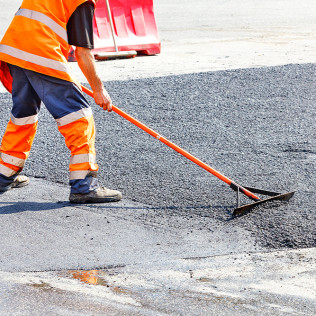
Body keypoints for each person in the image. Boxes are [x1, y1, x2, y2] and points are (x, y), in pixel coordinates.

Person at [0, 0, 122, 203]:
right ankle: (84, 185)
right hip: (40, 52)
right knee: (79, 116)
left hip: (13, 49)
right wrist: (99, 90)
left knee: (24, 115)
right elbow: (83, 53)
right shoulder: (83, 1)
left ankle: (4, 175)